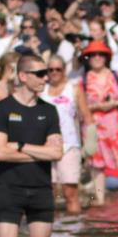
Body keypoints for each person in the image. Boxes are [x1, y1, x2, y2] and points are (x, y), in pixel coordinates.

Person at [0, 53, 64, 237]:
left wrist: (21, 146)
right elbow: (0, 152)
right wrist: (41, 153)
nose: (46, 78)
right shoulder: (4, 107)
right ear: (23, 76)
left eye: (47, 73)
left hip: (41, 188)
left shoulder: (49, 111)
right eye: (40, 73)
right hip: (9, 187)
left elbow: (57, 153)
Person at [80, 39, 118, 204]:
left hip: (117, 123)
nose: (97, 57)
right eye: (93, 55)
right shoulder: (84, 79)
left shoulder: (117, 75)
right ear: (88, 58)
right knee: (96, 164)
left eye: (101, 54)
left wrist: (115, 103)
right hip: (94, 124)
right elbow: (81, 105)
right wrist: (96, 106)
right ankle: (99, 198)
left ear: (106, 57)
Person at [41, 55, 84, 214]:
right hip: (44, 147)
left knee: (70, 193)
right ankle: (50, 232)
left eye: (58, 69)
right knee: (47, 193)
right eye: (50, 69)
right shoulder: (41, 90)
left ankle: (73, 231)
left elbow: (86, 117)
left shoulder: (73, 89)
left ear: (64, 70)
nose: (54, 72)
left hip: (69, 145)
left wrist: (91, 143)